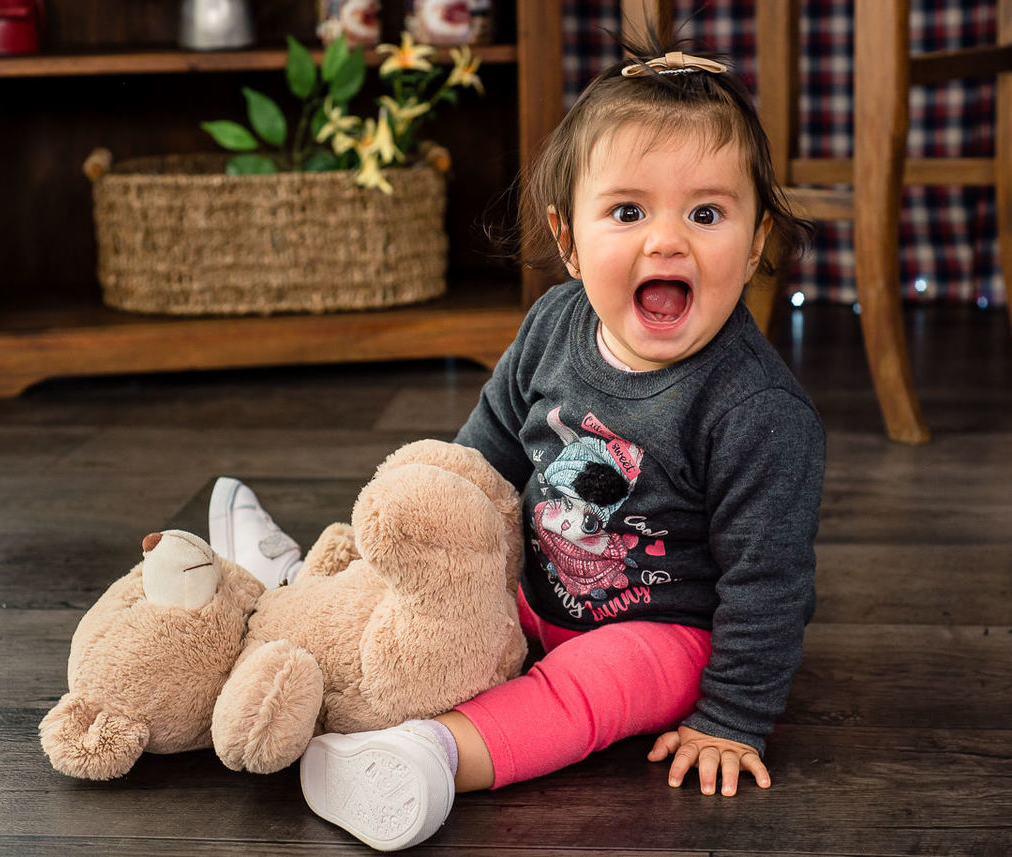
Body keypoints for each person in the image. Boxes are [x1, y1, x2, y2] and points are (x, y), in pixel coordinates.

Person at [210, 29, 824, 852]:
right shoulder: (554, 325)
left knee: (582, 690)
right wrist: (436, 541)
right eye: (628, 212)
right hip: (530, 587)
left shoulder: (756, 411)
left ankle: (427, 758)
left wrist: (732, 716)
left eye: (706, 213)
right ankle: (298, 589)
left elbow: (768, 584)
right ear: (568, 240)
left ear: (755, 244)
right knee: (424, 588)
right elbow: (484, 452)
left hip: (666, 632)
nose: (666, 240)